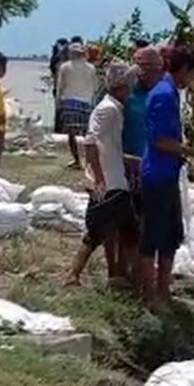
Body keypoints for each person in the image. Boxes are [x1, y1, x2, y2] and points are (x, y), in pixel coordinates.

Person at [137, 46, 194, 307]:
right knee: (152, 238)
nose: (192, 83)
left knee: (170, 236)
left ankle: (163, 290)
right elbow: (158, 140)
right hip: (157, 174)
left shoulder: (170, 93)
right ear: (184, 70)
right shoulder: (164, 95)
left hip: (168, 173)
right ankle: (149, 295)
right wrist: (191, 151)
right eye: (193, 76)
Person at [65, 62, 139, 286]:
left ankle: (118, 275)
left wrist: (133, 161)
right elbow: (90, 141)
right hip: (110, 183)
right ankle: (72, 275)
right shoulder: (108, 109)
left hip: (116, 180)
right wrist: (99, 178)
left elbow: (109, 146)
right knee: (99, 232)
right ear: (123, 86)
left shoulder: (114, 107)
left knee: (118, 230)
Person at [55, 42, 98, 169]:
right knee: (87, 133)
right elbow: (95, 87)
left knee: (71, 134)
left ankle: (77, 160)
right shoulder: (91, 68)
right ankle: (88, 161)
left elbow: (60, 87)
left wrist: (58, 102)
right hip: (86, 103)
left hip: (69, 102)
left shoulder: (64, 67)